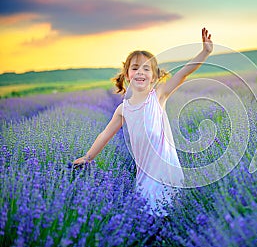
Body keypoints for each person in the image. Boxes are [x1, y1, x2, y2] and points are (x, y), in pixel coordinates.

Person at [72, 28, 213, 216]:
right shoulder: (124, 109)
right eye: (135, 67)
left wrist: (205, 52)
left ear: (154, 76)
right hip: (145, 173)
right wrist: (88, 157)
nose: (141, 72)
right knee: (149, 214)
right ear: (127, 74)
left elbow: (183, 74)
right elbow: (105, 135)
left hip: (166, 169)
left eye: (146, 68)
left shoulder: (158, 96)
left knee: (169, 212)